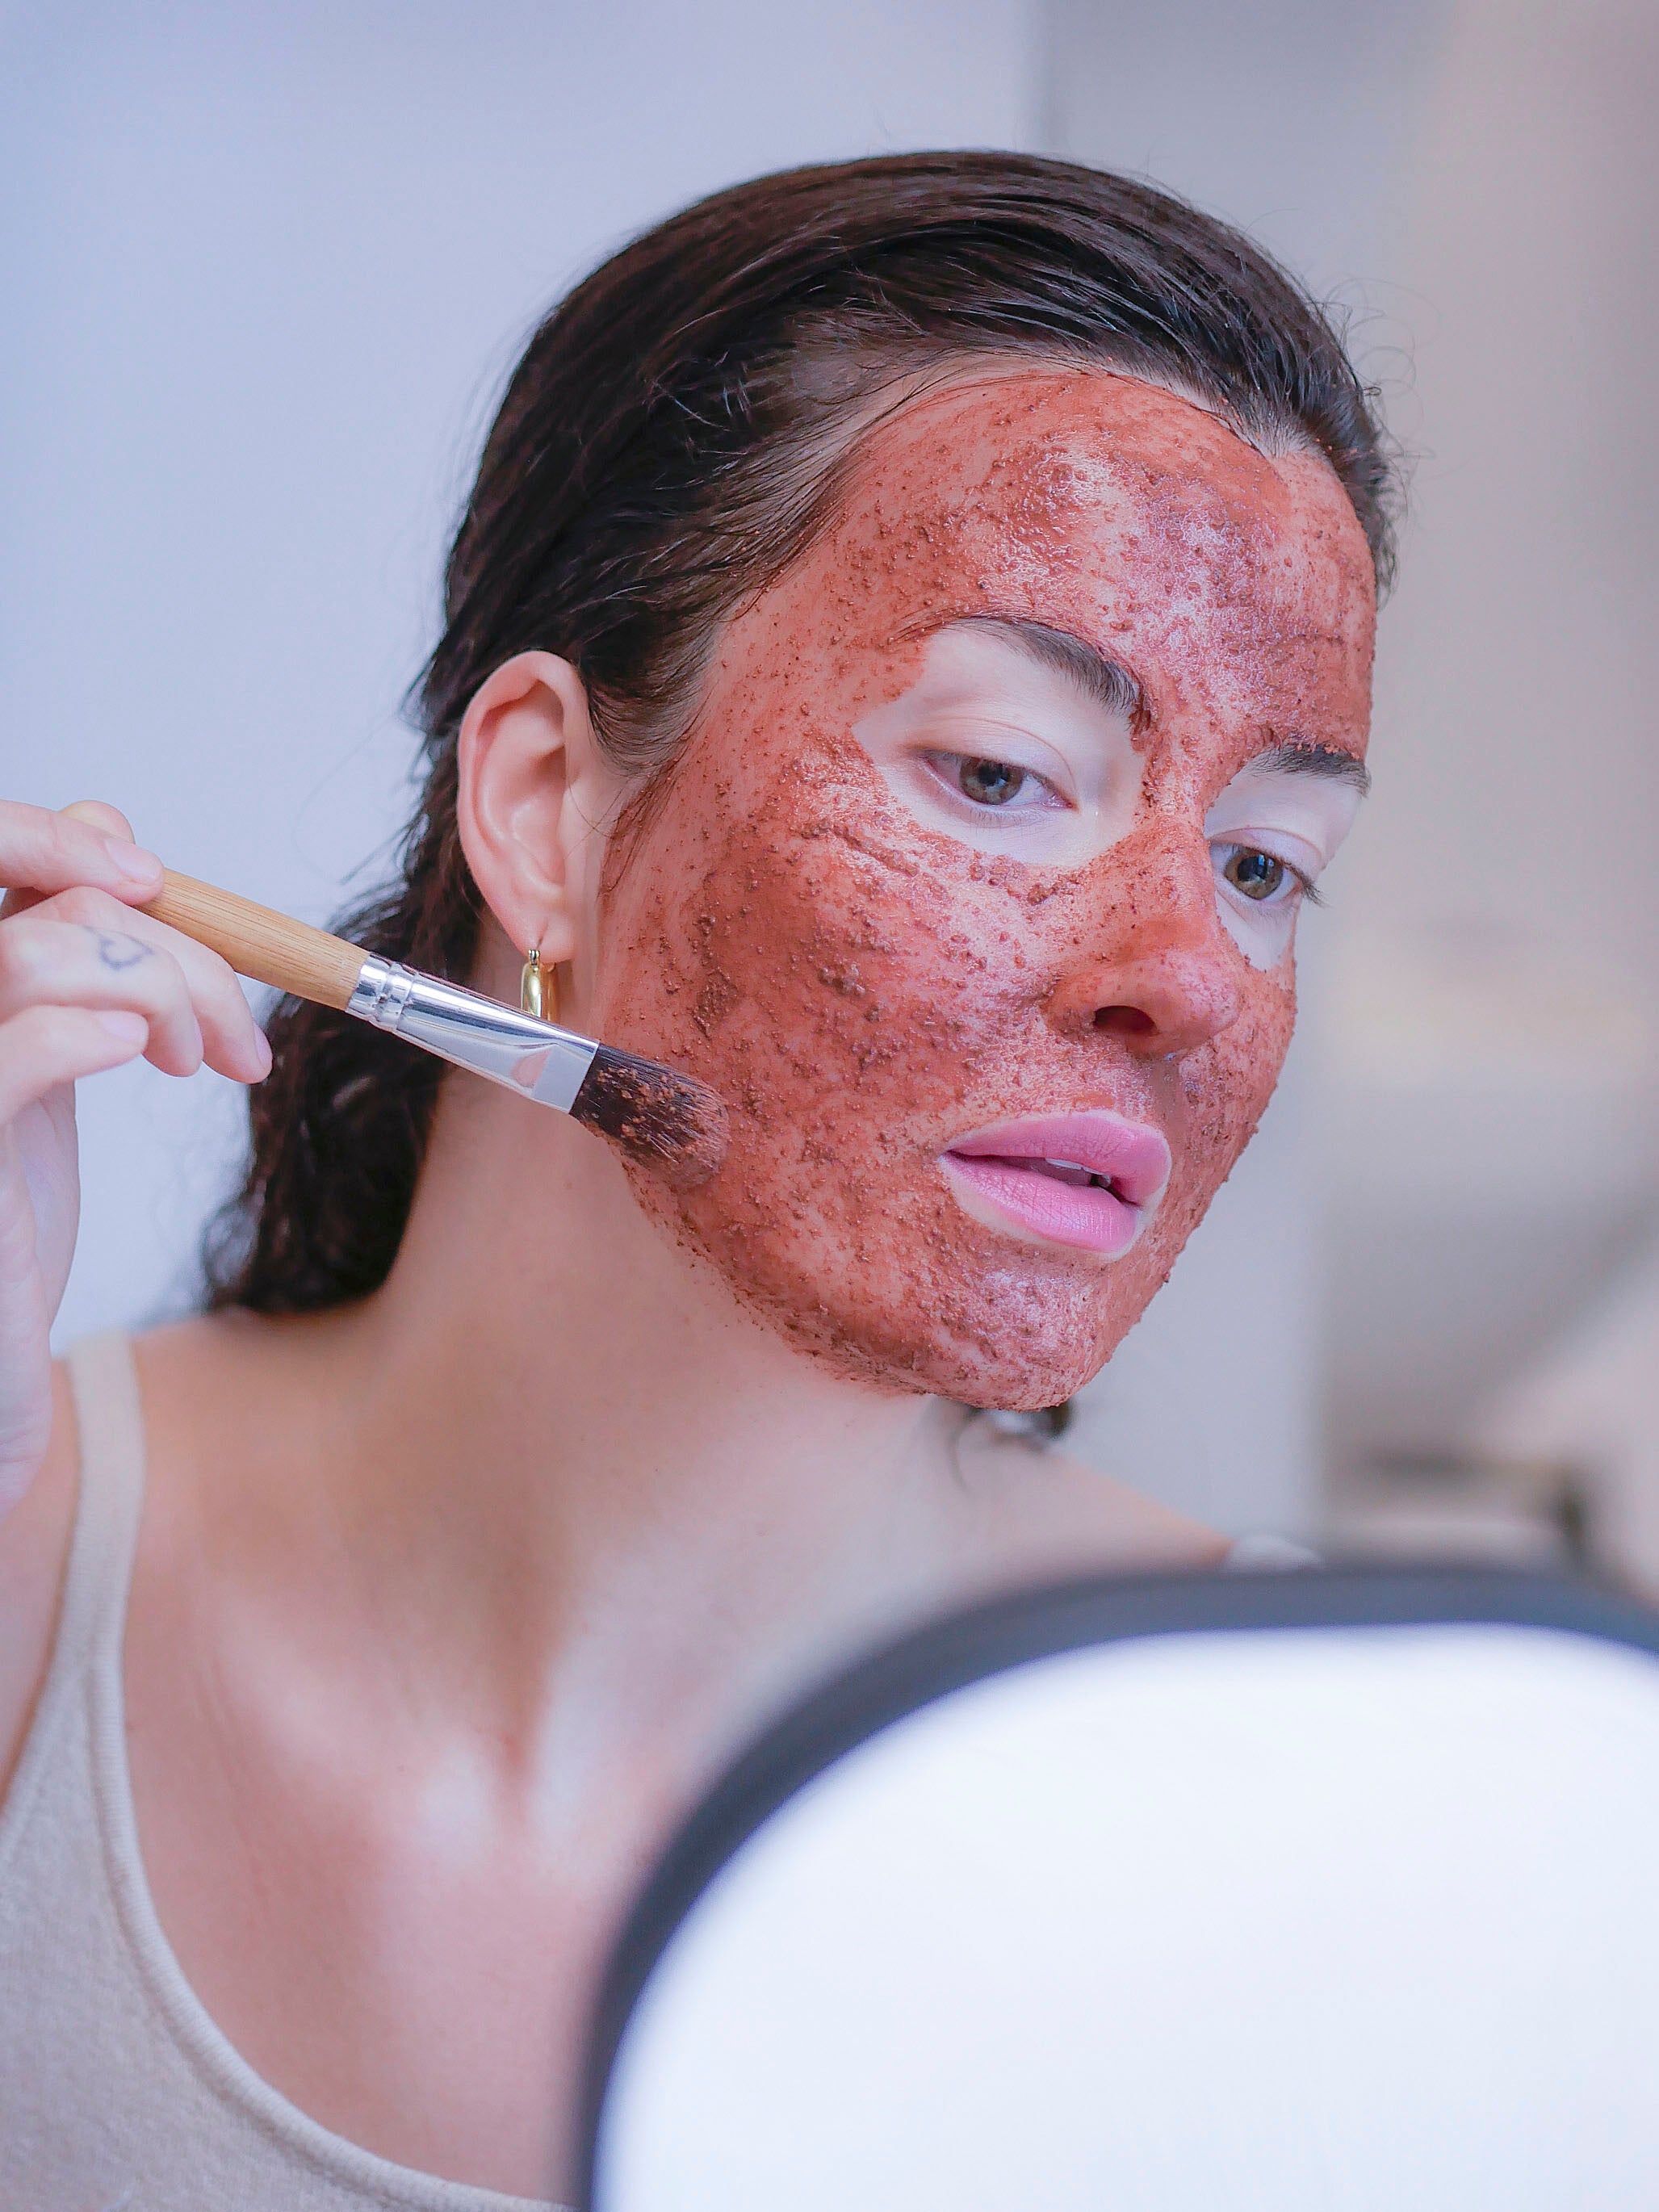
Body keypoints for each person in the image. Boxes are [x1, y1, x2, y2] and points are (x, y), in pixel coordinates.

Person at [0, 153, 1390, 2207]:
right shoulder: (33, 1550)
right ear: (547, 807)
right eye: (999, 774)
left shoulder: (1340, 1801)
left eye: (1264, 865)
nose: (1185, 981)